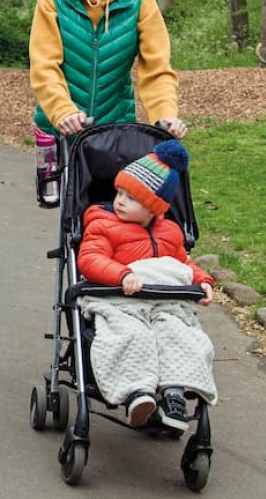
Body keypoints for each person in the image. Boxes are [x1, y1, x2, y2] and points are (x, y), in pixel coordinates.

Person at [29, 0, 185, 203]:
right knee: (70, 225)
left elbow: (157, 70)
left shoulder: (139, 1)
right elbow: (44, 64)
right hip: (60, 131)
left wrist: (166, 117)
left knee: (116, 216)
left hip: (115, 134)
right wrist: (62, 111)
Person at [76, 140, 217, 432]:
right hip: (121, 301)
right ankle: (137, 394)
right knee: (130, 335)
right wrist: (122, 274)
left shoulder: (170, 232)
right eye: (119, 193)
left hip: (163, 302)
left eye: (131, 197)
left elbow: (181, 265)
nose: (120, 201)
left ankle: (174, 395)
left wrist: (201, 281)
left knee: (178, 335)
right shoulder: (103, 224)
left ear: (154, 208)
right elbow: (90, 259)